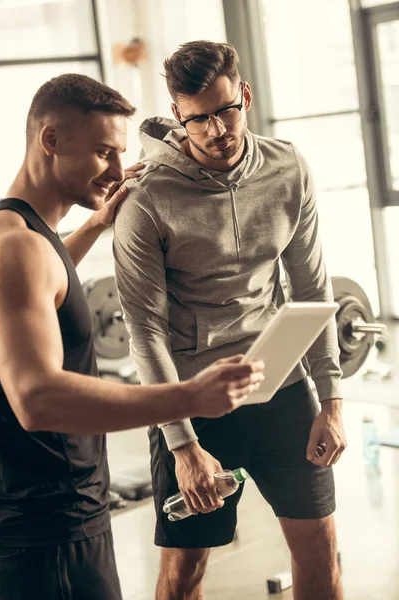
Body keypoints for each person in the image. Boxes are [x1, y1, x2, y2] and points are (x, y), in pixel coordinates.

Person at [0, 73, 264, 600]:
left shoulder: (26, 237)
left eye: (120, 152)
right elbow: (37, 398)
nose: (119, 170)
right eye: (103, 153)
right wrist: (189, 397)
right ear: (50, 141)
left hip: (58, 521)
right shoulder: (18, 250)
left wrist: (96, 225)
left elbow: (48, 286)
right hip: (47, 533)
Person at [113, 41, 347, 600]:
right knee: (185, 571)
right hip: (192, 400)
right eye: (200, 119)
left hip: (282, 389)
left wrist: (332, 401)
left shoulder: (288, 168)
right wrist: (183, 445)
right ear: (178, 116)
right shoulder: (145, 200)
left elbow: (313, 288)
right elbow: (144, 331)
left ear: (244, 95)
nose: (218, 130)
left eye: (226, 111)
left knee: (320, 549)